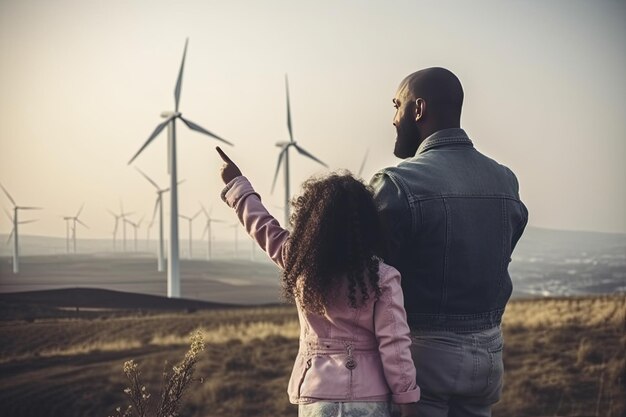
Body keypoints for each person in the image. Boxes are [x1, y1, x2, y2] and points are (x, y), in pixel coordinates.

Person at [370, 67, 529, 417]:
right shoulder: (505, 180)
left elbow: (362, 272)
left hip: (423, 358)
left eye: (397, 105)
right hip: (488, 355)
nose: (393, 118)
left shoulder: (398, 184)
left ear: (418, 110)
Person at [216, 146, 420, 417]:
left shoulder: (301, 264)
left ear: (312, 222)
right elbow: (394, 345)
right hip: (369, 398)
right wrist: (407, 401)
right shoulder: (381, 276)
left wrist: (237, 186)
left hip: (315, 394)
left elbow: (264, 228)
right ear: (368, 223)